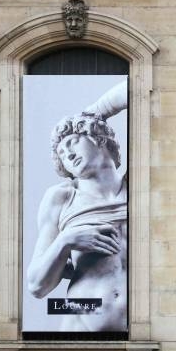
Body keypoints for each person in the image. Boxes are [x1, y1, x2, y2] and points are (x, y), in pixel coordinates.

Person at [27, 81, 128, 332]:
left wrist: (93, 115)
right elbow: (37, 284)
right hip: (82, 328)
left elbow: (139, 89)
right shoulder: (62, 198)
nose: (68, 154)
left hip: (145, 331)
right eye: (61, 153)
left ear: (99, 138)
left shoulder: (140, 186)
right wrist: (66, 240)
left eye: (72, 142)